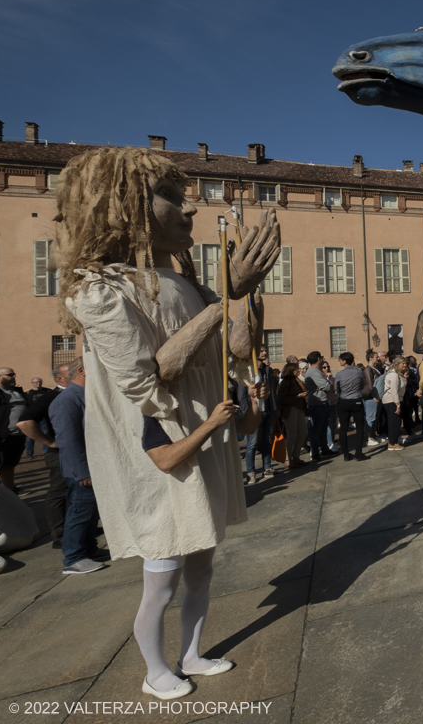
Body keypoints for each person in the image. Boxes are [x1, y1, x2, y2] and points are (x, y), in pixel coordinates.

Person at [53, 147, 275, 700]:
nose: (188, 209)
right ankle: (155, 671)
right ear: (125, 207)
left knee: (202, 567)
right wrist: (225, 299)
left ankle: (192, 652)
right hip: (162, 446)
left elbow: (237, 347)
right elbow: (152, 376)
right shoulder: (98, 288)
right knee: (162, 577)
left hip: (206, 439)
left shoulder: (184, 282)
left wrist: (244, 295)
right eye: (171, 198)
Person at [46, 356, 107, 574]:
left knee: (90, 512)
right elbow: (68, 441)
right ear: (82, 371)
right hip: (81, 470)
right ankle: (73, 558)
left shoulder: (83, 396)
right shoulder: (66, 400)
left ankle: (88, 548)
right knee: (80, 511)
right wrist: (82, 471)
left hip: (92, 467)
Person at [15, 364, 71, 548]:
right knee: (59, 492)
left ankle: (79, 528)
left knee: (77, 493)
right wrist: (49, 442)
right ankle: (60, 535)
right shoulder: (51, 396)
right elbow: (24, 422)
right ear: (59, 379)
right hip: (60, 454)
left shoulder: (79, 392)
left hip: (77, 452)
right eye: (70, 372)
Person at [243, 348, 278, 482]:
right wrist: (248, 411)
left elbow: (273, 390)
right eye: (261, 350)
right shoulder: (247, 370)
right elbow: (242, 393)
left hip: (269, 409)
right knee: (252, 443)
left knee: (266, 440)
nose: (264, 353)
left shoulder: (268, 370)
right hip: (254, 412)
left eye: (265, 350)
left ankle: (267, 467)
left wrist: (275, 408)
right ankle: (251, 472)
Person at [0, 368, 28, 493]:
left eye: (14, 374)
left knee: (9, 464)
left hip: (18, 435)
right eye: (10, 375)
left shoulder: (18, 392)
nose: (14, 377)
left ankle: (10, 490)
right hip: (1, 436)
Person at [333, 352, 370, 461]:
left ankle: (346, 454)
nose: (339, 361)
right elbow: (362, 385)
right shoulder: (359, 372)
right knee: (359, 427)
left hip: (344, 401)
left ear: (344, 361)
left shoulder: (339, 374)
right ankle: (358, 452)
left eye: (340, 360)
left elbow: (336, 389)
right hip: (356, 400)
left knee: (343, 428)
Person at [276, 362, 309, 469]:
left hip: (299, 409)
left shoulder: (296, 381)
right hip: (290, 410)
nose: (298, 370)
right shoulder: (286, 382)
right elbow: (281, 399)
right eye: (296, 369)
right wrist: (297, 396)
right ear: (290, 370)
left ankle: (296, 457)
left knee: (303, 432)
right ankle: (288, 459)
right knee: (291, 435)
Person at [303, 351, 335, 459]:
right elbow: (328, 386)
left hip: (320, 402)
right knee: (317, 429)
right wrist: (327, 384)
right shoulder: (314, 372)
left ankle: (324, 449)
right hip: (318, 404)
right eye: (321, 357)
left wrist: (325, 385)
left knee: (322, 428)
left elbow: (325, 386)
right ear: (318, 359)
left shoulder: (314, 371)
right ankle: (316, 452)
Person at [382, 358, 408, 451]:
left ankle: (393, 441)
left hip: (394, 400)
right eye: (403, 363)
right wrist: (397, 405)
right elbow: (394, 391)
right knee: (394, 423)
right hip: (391, 401)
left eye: (405, 363)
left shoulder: (398, 374)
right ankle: (392, 443)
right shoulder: (394, 375)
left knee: (395, 422)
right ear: (397, 364)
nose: (405, 365)